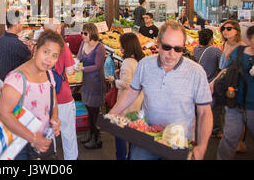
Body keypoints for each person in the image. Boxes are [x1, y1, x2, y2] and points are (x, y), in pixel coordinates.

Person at [109, 21, 213, 160]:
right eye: (166, 47)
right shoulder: (145, 65)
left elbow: (205, 111)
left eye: (178, 49)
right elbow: (132, 91)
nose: (172, 53)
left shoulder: (196, 72)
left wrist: (202, 146)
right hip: (146, 137)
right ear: (157, 42)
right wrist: (113, 113)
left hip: (179, 142)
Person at [0, 30, 62, 160]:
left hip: (41, 143)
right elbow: (3, 113)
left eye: (54, 55)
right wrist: (32, 138)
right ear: (35, 49)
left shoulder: (49, 75)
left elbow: (53, 101)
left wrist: (55, 118)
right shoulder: (17, 79)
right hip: (19, 147)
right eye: (46, 52)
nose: (49, 59)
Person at [216, 25, 254, 160]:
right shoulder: (238, 52)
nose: (225, 32)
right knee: (229, 139)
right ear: (249, 39)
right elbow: (226, 70)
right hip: (235, 104)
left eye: (229, 28)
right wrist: (213, 82)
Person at [106, 32, 145, 160]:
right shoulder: (140, 60)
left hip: (127, 106)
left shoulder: (128, 62)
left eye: (121, 45)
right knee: (133, 137)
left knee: (121, 136)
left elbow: (127, 84)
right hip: (138, 104)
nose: (120, 48)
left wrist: (114, 80)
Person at [44, 19, 78, 160]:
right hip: (62, 96)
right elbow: (70, 71)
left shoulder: (40, 47)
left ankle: (52, 157)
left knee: (49, 131)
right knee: (67, 132)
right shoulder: (62, 46)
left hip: (45, 96)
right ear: (57, 29)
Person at [211, 20, 245, 140]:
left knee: (235, 111)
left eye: (229, 29)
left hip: (233, 81)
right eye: (223, 29)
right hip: (222, 78)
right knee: (220, 107)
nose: (225, 31)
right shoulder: (225, 44)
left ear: (237, 31)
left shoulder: (241, 47)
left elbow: (233, 68)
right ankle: (222, 132)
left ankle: (239, 141)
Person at [75, 23, 106, 149]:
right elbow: (78, 57)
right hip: (87, 82)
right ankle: (91, 132)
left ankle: (96, 137)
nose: (82, 36)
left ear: (92, 33)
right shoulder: (83, 44)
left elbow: (97, 66)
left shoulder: (99, 47)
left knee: (94, 111)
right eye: (82, 33)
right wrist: (75, 64)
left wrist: (82, 68)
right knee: (89, 108)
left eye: (85, 33)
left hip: (96, 83)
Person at [0, 10, 32, 82]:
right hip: (14, 82)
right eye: (21, 22)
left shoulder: (2, 38)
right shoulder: (16, 44)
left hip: (4, 78)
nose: (23, 24)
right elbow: (30, 58)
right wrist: (29, 49)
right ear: (15, 23)